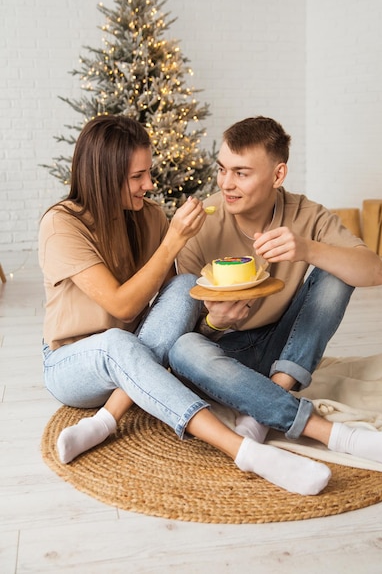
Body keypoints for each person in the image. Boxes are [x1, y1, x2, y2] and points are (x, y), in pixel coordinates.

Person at [38, 114, 335, 497]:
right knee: (117, 341)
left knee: (182, 286)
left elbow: (170, 315)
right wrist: (173, 241)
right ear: (103, 176)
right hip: (76, 364)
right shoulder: (62, 224)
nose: (149, 185)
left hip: (141, 360)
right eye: (136, 177)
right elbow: (123, 306)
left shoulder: (149, 217)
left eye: (148, 172)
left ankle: (106, 419)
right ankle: (243, 451)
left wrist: (214, 321)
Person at [170, 115, 382, 474]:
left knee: (338, 271)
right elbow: (180, 323)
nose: (226, 183)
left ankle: (270, 398)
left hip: (282, 351)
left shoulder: (307, 215)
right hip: (226, 353)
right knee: (182, 350)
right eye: (222, 169)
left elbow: (374, 271)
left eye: (241, 173)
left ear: (278, 175)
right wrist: (213, 322)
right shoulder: (203, 222)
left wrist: (308, 249)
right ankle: (338, 436)